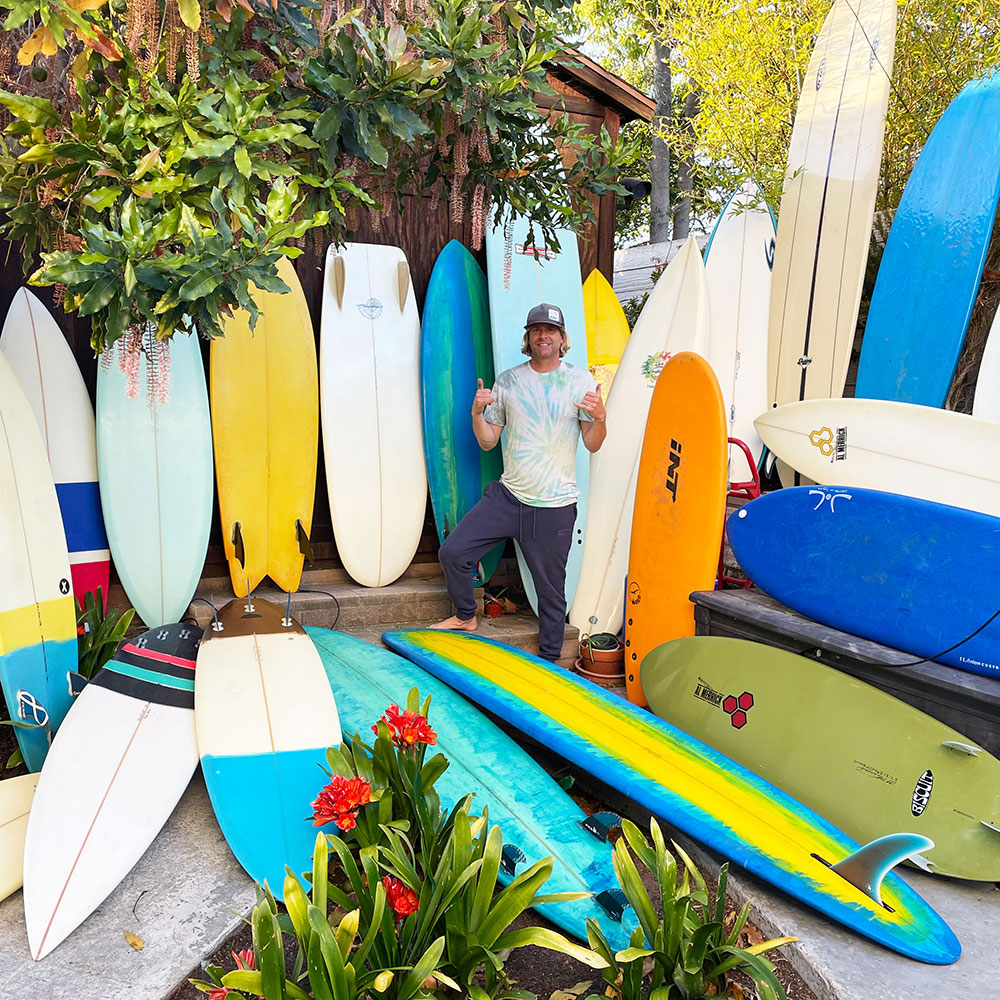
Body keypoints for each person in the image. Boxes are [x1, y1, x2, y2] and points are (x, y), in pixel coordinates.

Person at [430, 302, 607, 661]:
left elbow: (593, 442)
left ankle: (551, 661)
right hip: (509, 496)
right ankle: (466, 617)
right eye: (537, 330)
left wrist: (601, 417)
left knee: (551, 592)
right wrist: (476, 413)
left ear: (561, 339)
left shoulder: (579, 380)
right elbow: (487, 441)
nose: (544, 336)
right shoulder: (508, 380)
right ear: (528, 338)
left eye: (551, 330)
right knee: (453, 552)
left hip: (555, 505)